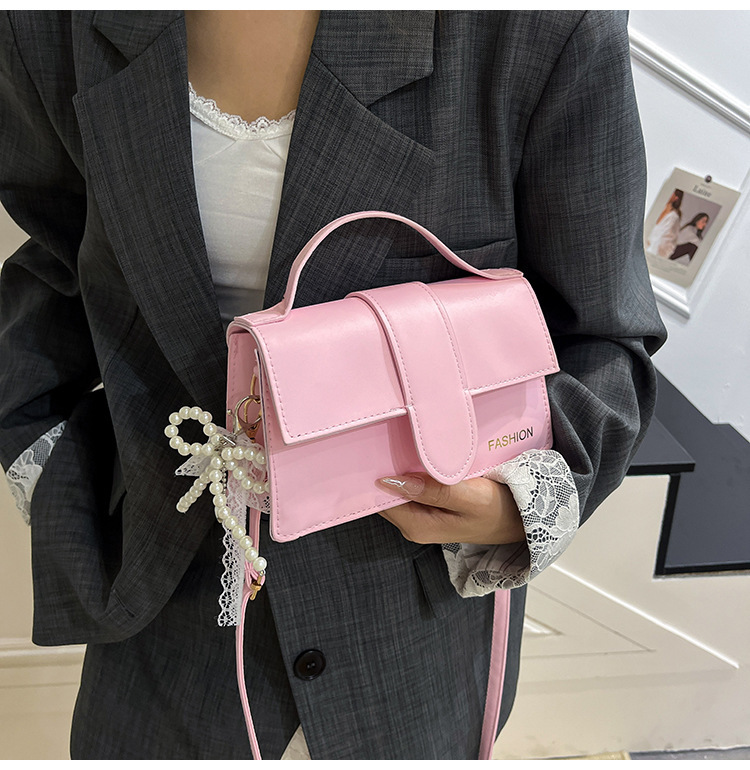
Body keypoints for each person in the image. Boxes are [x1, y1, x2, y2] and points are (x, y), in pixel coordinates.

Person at [0, 11, 666, 760]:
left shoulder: (537, 27)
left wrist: (520, 504)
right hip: (166, 598)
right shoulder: (49, 25)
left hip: (408, 613)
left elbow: (604, 333)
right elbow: (56, 261)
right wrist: (48, 475)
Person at [646, 189, 683, 258]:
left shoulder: (673, 217)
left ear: (676, 198)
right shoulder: (659, 208)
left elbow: (664, 238)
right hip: (649, 247)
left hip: (656, 252)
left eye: (672, 192)